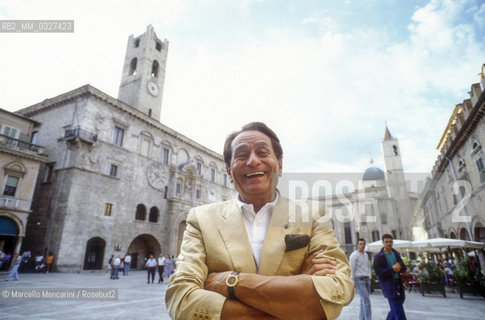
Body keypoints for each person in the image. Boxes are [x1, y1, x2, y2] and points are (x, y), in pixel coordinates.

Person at [166, 122, 354, 320]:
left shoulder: (314, 214)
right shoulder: (201, 219)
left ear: (280, 165)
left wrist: (231, 283)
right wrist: (297, 289)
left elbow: (337, 290)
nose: (253, 161)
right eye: (241, 155)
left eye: (263, 152)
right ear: (229, 171)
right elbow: (182, 300)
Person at [373, 234, 407, 320]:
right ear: (383, 243)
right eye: (386, 242)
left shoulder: (396, 254)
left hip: (398, 283)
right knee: (399, 311)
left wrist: (400, 266)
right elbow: (379, 273)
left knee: (397, 306)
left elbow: (403, 266)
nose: (389, 243)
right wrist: (392, 269)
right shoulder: (378, 257)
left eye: (390, 242)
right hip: (389, 286)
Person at [349, 238, 372, 320]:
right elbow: (352, 269)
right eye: (360, 244)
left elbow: (368, 266)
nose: (362, 245)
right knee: (366, 301)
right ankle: (369, 318)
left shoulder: (366, 255)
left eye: (363, 244)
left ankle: (361, 318)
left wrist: (370, 277)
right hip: (359, 280)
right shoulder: (354, 255)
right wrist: (352, 282)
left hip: (367, 279)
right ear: (357, 245)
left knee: (364, 301)